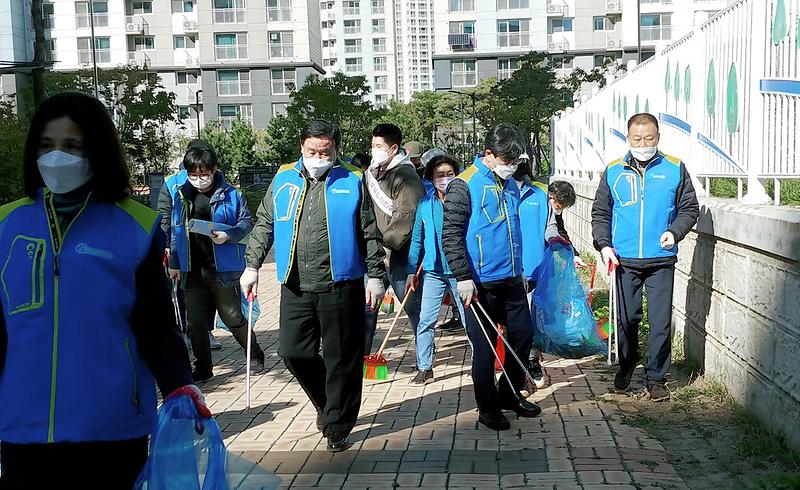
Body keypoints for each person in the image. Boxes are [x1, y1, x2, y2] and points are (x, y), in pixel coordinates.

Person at [0, 92, 209, 488]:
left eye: (71, 145)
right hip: (23, 421)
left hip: (111, 422)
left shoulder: (137, 225)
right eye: (46, 145)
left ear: (95, 150)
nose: (56, 156)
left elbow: (154, 323)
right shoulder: (6, 225)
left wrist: (180, 383)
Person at [240, 119, 385, 452]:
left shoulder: (353, 179)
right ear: (301, 147)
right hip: (295, 282)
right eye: (312, 151)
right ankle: (328, 402)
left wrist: (375, 275)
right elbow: (265, 222)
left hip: (341, 283)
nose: (318, 156)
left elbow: (369, 231)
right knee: (293, 351)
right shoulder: (284, 178)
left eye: (325, 151)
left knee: (341, 358)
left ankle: (337, 423)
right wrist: (252, 265)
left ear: (335, 149)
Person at [591, 112, 699, 402]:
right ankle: (627, 361)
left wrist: (675, 232)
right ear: (628, 138)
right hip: (623, 260)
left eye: (649, 138)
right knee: (626, 319)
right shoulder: (613, 171)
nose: (643, 143)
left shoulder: (675, 168)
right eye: (637, 139)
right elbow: (600, 213)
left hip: (661, 259)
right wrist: (604, 245)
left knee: (660, 321)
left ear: (658, 137)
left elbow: (690, 208)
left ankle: (656, 378)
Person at [442, 123, 542, 431]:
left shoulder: (510, 184)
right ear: (489, 154)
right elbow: (451, 235)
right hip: (478, 284)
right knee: (485, 349)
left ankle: (508, 393)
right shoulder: (464, 184)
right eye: (506, 160)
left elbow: (514, 233)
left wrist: (521, 271)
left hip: (511, 279)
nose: (512, 166)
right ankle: (487, 408)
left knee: (523, 336)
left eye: (515, 160)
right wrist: (462, 276)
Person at [168, 145, 265, 382]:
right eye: (193, 174)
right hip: (192, 267)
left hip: (222, 268)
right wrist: (174, 261)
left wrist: (228, 235)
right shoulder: (181, 194)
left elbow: (246, 223)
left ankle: (254, 353)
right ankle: (203, 367)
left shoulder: (232, 195)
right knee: (196, 324)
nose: (199, 179)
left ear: (214, 170)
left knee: (232, 316)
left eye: (204, 174)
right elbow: (175, 229)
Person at [405, 155, 468, 384]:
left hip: (461, 273)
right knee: (425, 320)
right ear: (431, 178)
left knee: (469, 318)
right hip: (433, 271)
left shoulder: (462, 201)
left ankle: (481, 362)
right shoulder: (425, 204)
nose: (445, 179)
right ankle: (424, 367)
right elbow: (417, 239)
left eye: (449, 174)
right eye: (440, 175)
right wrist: (412, 270)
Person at [363, 124, 424, 352]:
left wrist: (384, 246)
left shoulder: (406, 176)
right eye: (372, 145)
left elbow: (406, 218)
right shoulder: (374, 172)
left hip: (400, 255)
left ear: (394, 148)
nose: (374, 150)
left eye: (378, 146)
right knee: (368, 306)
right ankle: (363, 354)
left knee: (412, 307)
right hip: (376, 254)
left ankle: (424, 356)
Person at [157, 139, 223, 351]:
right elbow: (164, 215)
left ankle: (207, 331)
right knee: (184, 292)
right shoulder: (173, 182)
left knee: (210, 295)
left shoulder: (215, 177)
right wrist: (166, 244)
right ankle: (188, 332)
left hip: (211, 248)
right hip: (183, 249)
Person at [512, 159, 560, 392]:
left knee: (530, 323)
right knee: (511, 325)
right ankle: (514, 372)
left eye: (522, 159)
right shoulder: (498, 190)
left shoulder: (540, 192)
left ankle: (531, 362)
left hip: (534, 269)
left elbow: (550, 225)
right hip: (506, 270)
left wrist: (554, 238)